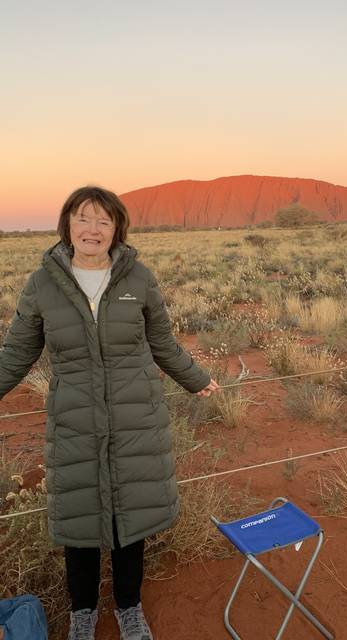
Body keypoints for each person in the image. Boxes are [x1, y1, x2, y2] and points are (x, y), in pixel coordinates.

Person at [0, 186, 219, 640]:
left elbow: (163, 343)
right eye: (83, 218)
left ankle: (128, 608)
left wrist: (196, 378)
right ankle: (82, 613)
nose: (92, 229)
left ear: (117, 228)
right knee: (80, 517)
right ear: (67, 225)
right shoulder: (42, 284)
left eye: (103, 220)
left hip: (134, 416)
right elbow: (17, 352)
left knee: (129, 520)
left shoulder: (138, 278)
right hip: (75, 418)